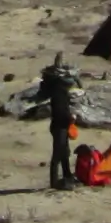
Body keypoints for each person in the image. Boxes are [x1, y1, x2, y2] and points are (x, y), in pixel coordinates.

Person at [43, 54, 77, 190]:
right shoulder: (59, 92)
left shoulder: (59, 91)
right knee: (58, 153)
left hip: (60, 125)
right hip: (60, 126)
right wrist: (70, 118)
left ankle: (67, 176)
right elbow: (60, 111)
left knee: (65, 153)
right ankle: (55, 182)